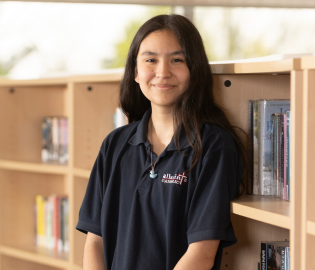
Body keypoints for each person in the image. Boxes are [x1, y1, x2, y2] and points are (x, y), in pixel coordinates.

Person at [76, 14, 250, 270]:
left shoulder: (214, 146)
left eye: (177, 60)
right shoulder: (115, 145)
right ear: (136, 72)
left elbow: (201, 254)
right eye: (151, 60)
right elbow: (95, 242)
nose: (162, 72)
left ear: (194, 69)